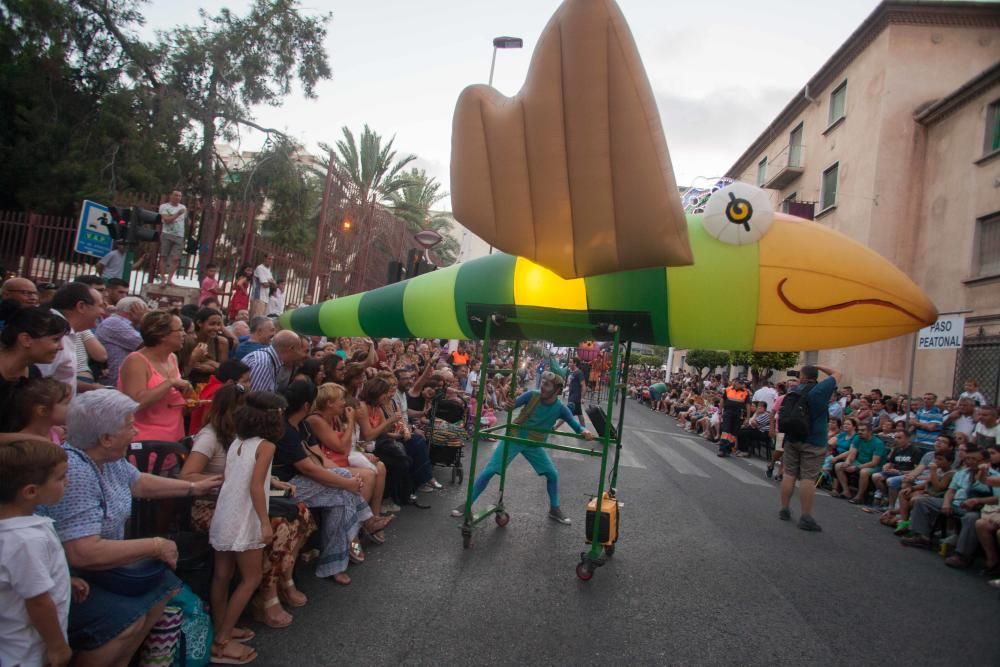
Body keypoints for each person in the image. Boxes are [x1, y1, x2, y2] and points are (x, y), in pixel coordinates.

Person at [43, 390, 221, 666]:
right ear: (105, 438)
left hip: (104, 570)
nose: (136, 431)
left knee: (160, 596)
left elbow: (138, 482)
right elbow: (83, 552)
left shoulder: (107, 459)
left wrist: (193, 487)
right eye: (129, 425)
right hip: (72, 576)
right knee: (128, 620)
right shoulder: (75, 472)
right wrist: (156, 545)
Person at [453, 371, 594, 524]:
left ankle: (554, 508)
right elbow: (511, 406)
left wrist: (584, 431)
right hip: (515, 437)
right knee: (490, 470)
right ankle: (468, 504)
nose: (543, 387)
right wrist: (508, 405)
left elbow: (576, 426)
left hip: (534, 444)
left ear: (557, 390)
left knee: (552, 474)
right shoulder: (532, 395)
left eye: (547, 384)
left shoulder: (560, 408)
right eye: (543, 383)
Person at [273, 381, 378, 584]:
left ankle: (338, 557)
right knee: (345, 492)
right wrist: (345, 483)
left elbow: (319, 460)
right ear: (306, 405)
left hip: (305, 478)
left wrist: (343, 478)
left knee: (343, 494)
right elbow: (308, 468)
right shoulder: (286, 430)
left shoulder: (302, 425)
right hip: (287, 485)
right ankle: (360, 528)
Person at [209, 392, 283, 665]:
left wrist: (275, 483)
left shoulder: (237, 442)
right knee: (251, 578)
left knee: (222, 576)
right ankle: (222, 642)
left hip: (225, 513)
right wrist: (264, 523)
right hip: (245, 516)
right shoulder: (267, 446)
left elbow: (239, 478)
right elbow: (254, 486)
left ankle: (221, 628)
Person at [0, 440, 81, 667]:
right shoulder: (26, 540)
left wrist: (62, 580)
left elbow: (21, 576)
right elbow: (37, 601)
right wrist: (57, 647)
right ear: (31, 491)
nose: (68, 481)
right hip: (29, 653)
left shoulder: (18, 528)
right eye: (60, 477)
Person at [779, 364, 841, 532]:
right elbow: (837, 372)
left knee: (789, 473)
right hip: (814, 440)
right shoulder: (820, 390)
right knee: (808, 478)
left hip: (792, 438)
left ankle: (784, 509)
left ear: (802, 377)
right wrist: (819, 366)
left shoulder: (794, 390)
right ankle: (806, 516)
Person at [118, 310, 190, 444]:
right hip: (145, 444)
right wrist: (170, 382)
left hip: (174, 440)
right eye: (180, 329)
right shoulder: (136, 361)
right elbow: (134, 403)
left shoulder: (172, 358)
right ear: (162, 335)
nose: (184, 334)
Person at [0, 302, 68, 439]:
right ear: (26, 339)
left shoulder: (33, 373)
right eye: (55, 340)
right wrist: (34, 438)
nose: (61, 347)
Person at [37, 283, 103, 398]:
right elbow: (38, 381)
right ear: (81, 306)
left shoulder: (65, 331)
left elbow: (60, 378)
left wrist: (91, 387)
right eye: (100, 306)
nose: (103, 312)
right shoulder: (52, 332)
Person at [188, 359, 251, 435]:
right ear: (230, 382)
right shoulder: (217, 394)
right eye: (245, 381)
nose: (249, 385)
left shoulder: (216, 387)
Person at [95, 296, 146, 386]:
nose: (145, 315)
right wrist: (143, 320)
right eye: (144, 312)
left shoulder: (129, 325)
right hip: (113, 383)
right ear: (133, 310)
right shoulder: (114, 322)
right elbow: (149, 344)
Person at [834, 422, 886, 504]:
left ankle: (859, 496)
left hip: (875, 466)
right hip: (859, 462)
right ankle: (846, 491)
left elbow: (874, 462)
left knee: (864, 472)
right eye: (859, 430)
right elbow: (852, 454)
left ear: (870, 431)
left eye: (863, 430)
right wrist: (847, 462)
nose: (860, 432)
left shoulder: (878, 443)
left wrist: (856, 467)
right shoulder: (858, 438)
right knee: (839, 466)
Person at [13, 377, 71, 445]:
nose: (71, 407)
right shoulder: (25, 444)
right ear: (43, 411)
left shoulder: (54, 433)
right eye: (66, 404)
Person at [181, 307, 230, 386]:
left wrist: (211, 365)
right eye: (212, 324)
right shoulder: (189, 339)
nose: (216, 328)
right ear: (200, 323)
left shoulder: (221, 342)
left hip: (210, 385)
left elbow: (224, 370)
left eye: (218, 324)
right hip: (188, 383)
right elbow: (183, 366)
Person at [157, 190, 188, 286]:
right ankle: (162, 279)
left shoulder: (183, 207)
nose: (178, 197)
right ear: (171, 196)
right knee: (163, 256)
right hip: (167, 234)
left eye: (179, 196)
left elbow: (183, 220)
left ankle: (169, 279)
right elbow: (166, 220)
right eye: (176, 195)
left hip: (179, 235)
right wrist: (177, 214)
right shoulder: (164, 207)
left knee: (175, 258)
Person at [717, 377, 750, 457]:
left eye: (743, 384)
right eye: (741, 383)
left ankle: (728, 449)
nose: (742, 385)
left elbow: (748, 405)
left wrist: (747, 418)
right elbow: (722, 400)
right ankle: (722, 449)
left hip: (738, 414)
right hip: (728, 412)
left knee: (733, 433)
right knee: (726, 430)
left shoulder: (746, 392)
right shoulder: (728, 389)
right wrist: (720, 411)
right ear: (736, 383)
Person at [251, 254, 275, 318]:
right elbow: (265, 285)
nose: (271, 261)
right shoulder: (260, 268)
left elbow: (274, 285)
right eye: (269, 259)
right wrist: (271, 282)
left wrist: (270, 282)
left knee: (262, 319)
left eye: (272, 259)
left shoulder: (268, 270)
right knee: (257, 319)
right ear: (265, 259)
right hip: (259, 297)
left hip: (266, 297)